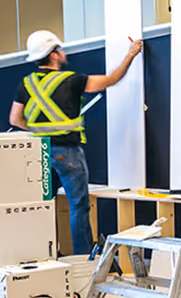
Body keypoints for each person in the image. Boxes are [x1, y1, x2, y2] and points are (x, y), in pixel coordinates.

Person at [9, 30, 143, 256]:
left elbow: (15, 119)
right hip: (68, 153)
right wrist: (131, 55)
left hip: (40, 153)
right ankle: (83, 260)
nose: (63, 53)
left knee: (42, 207)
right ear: (53, 54)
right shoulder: (71, 80)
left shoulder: (27, 84)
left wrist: (40, 131)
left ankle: (44, 255)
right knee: (78, 208)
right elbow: (111, 80)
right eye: (59, 49)